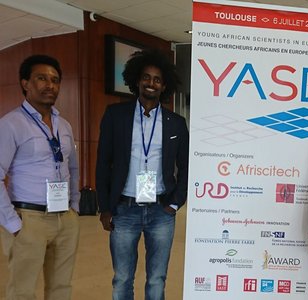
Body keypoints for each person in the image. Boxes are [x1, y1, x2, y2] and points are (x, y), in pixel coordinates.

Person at [96, 49, 189, 300]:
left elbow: (186, 166)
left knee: (157, 279)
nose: (151, 83)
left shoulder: (176, 123)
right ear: (137, 80)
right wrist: (105, 207)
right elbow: (103, 162)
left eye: (157, 79)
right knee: (122, 279)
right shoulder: (116, 115)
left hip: (161, 211)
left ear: (164, 85)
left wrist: (175, 202)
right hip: (124, 209)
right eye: (146, 77)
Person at [0, 54, 80, 299]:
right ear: (26, 84)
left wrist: (74, 207)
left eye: (55, 80)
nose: (50, 85)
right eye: (42, 79)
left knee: (61, 288)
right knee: (22, 291)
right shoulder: (11, 124)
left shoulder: (64, 125)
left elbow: (73, 168)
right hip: (29, 219)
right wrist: (13, 224)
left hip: (64, 218)